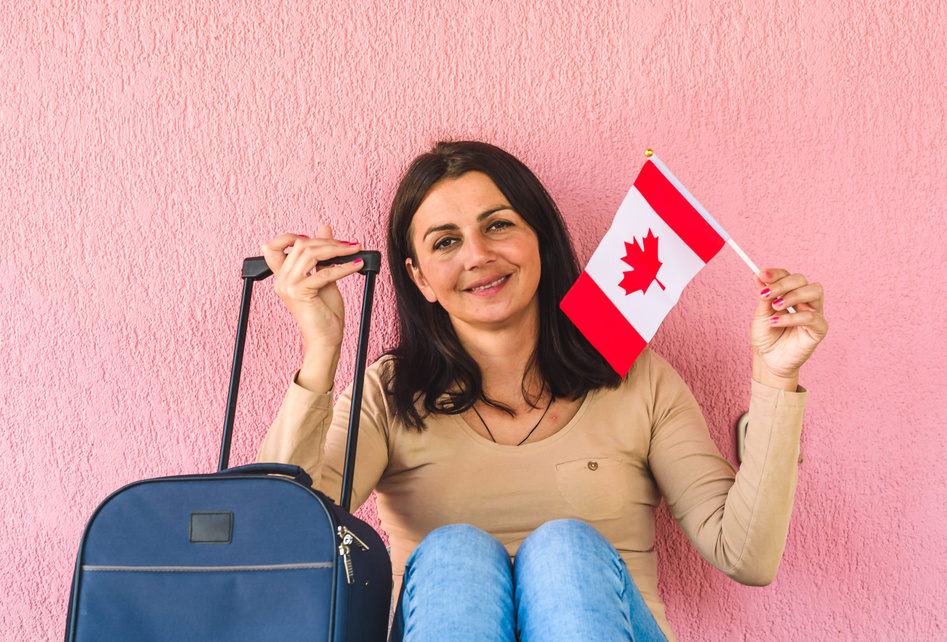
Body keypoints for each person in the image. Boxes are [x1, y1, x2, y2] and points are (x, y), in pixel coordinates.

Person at [257, 141, 828, 641]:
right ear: (420, 279)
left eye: (498, 225)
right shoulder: (390, 392)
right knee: (455, 551)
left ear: (540, 241)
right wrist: (322, 346)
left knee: (564, 549)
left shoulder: (638, 379)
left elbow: (745, 555)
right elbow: (278, 543)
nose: (478, 255)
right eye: (446, 241)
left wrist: (776, 378)